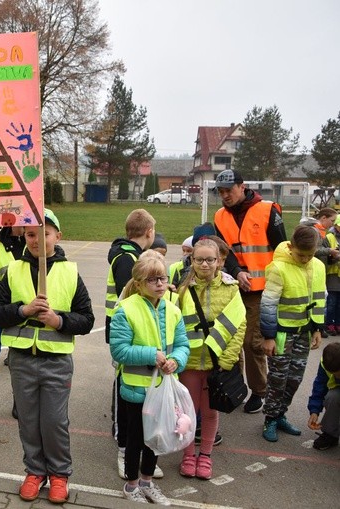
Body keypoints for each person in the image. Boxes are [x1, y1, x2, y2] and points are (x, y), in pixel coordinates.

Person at [0, 209, 95, 504]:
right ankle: (35, 471)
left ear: (57, 236)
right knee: (28, 420)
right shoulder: (13, 270)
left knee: (54, 421)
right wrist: (22, 310)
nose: (36, 239)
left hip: (56, 361)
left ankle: (59, 474)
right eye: (31, 234)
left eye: (44, 233)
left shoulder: (70, 272)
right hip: (22, 360)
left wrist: (58, 320)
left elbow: (86, 319)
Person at [109, 251, 189, 505]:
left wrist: (177, 360)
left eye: (163, 279)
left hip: (161, 388)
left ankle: (146, 481)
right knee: (135, 440)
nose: (159, 285)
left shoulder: (173, 311)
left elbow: (182, 344)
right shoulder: (126, 309)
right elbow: (119, 350)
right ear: (139, 282)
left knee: (155, 440)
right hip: (135, 388)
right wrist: (151, 355)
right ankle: (132, 485)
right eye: (153, 280)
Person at [214, 169, 287, 414]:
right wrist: (237, 273)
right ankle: (238, 388)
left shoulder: (267, 210)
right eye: (221, 192)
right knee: (232, 339)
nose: (225, 195)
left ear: (242, 186)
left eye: (229, 190)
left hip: (262, 290)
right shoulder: (220, 216)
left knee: (251, 343)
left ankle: (259, 391)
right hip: (234, 287)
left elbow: (282, 251)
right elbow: (225, 252)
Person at [176, 238, 245, 479]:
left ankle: (205, 455)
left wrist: (227, 360)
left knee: (210, 412)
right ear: (191, 260)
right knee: (187, 412)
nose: (204, 265)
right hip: (190, 363)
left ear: (219, 262)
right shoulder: (183, 290)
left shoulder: (231, 288)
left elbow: (239, 327)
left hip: (217, 365)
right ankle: (187, 455)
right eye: (199, 259)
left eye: (210, 260)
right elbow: (175, 327)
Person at [104, 208, 161, 480]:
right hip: (125, 333)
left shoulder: (130, 255)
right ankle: (124, 447)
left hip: (135, 334)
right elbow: (131, 297)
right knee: (123, 392)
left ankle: (138, 447)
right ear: (149, 232)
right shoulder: (127, 258)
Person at [260, 224, 324, 442]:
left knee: (295, 378)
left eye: (310, 255)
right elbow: (268, 305)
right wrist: (268, 336)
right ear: (290, 246)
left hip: (304, 332)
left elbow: (319, 299)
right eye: (301, 255)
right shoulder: (278, 268)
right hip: (281, 333)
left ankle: (280, 414)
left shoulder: (318, 266)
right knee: (278, 378)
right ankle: (270, 417)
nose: (305, 259)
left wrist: (317, 328)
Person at [0, 226, 25, 373]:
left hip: (23, 295)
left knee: (18, 331)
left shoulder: (30, 241)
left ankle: (12, 356)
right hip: (2, 295)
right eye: (20, 224)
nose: (23, 227)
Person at [308, 342, 340, 450]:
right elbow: (319, 387)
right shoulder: (326, 363)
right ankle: (331, 435)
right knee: (332, 397)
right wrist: (314, 410)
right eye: (334, 373)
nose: (336, 376)